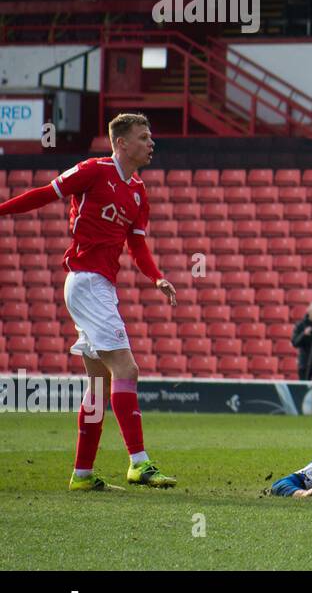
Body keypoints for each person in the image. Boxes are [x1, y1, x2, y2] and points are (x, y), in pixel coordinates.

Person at [0, 113, 178, 490]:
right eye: (144, 137)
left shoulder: (138, 192)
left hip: (99, 285)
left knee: (97, 384)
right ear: (122, 142)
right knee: (127, 371)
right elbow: (46, 194)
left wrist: (156, 277)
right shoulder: (93, 171)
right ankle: (139, 464)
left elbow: (137, 243)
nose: (151, 144)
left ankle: (81, 474)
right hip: (86, 281)